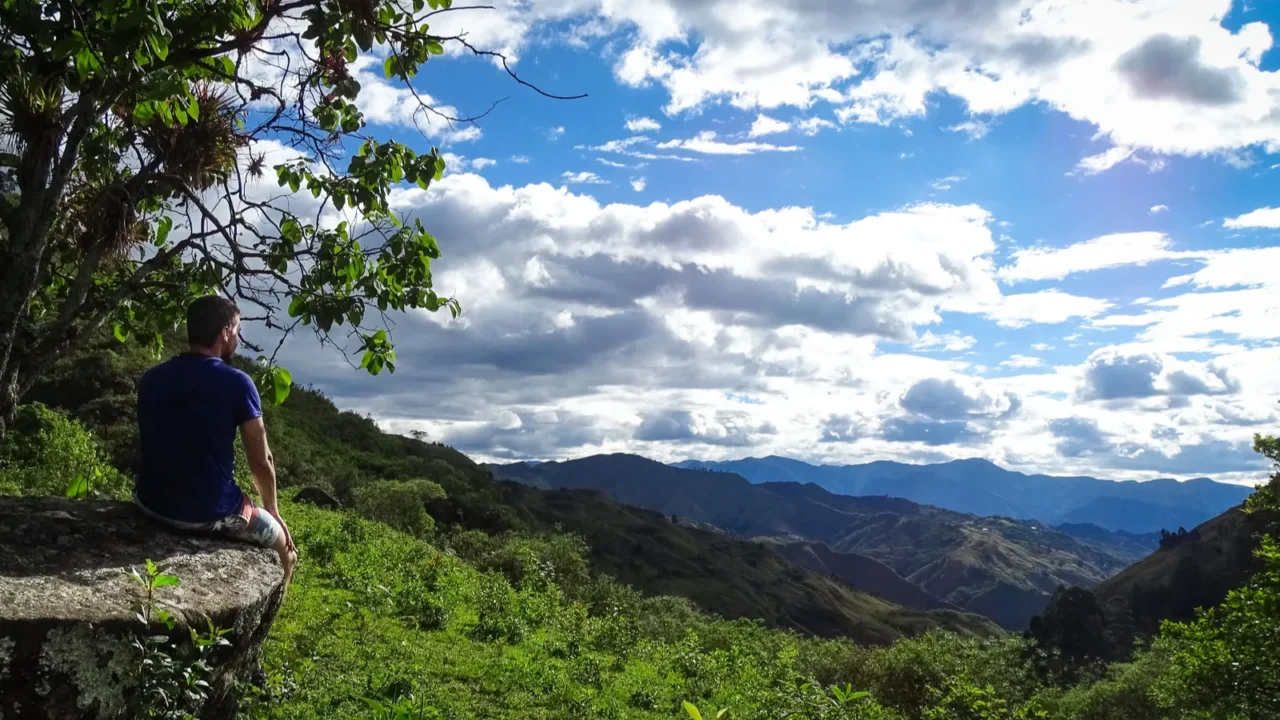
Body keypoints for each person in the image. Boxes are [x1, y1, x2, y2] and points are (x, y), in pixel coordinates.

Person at [134, 295, 297, 584]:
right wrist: (272, 511)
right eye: (237, 330)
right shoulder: (237, 382)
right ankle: (278, 601)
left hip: (149, 503)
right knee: (287, 550)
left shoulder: (152, 378)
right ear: (224, 332)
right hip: (208, 512)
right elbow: (261, 460)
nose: (237, 338)